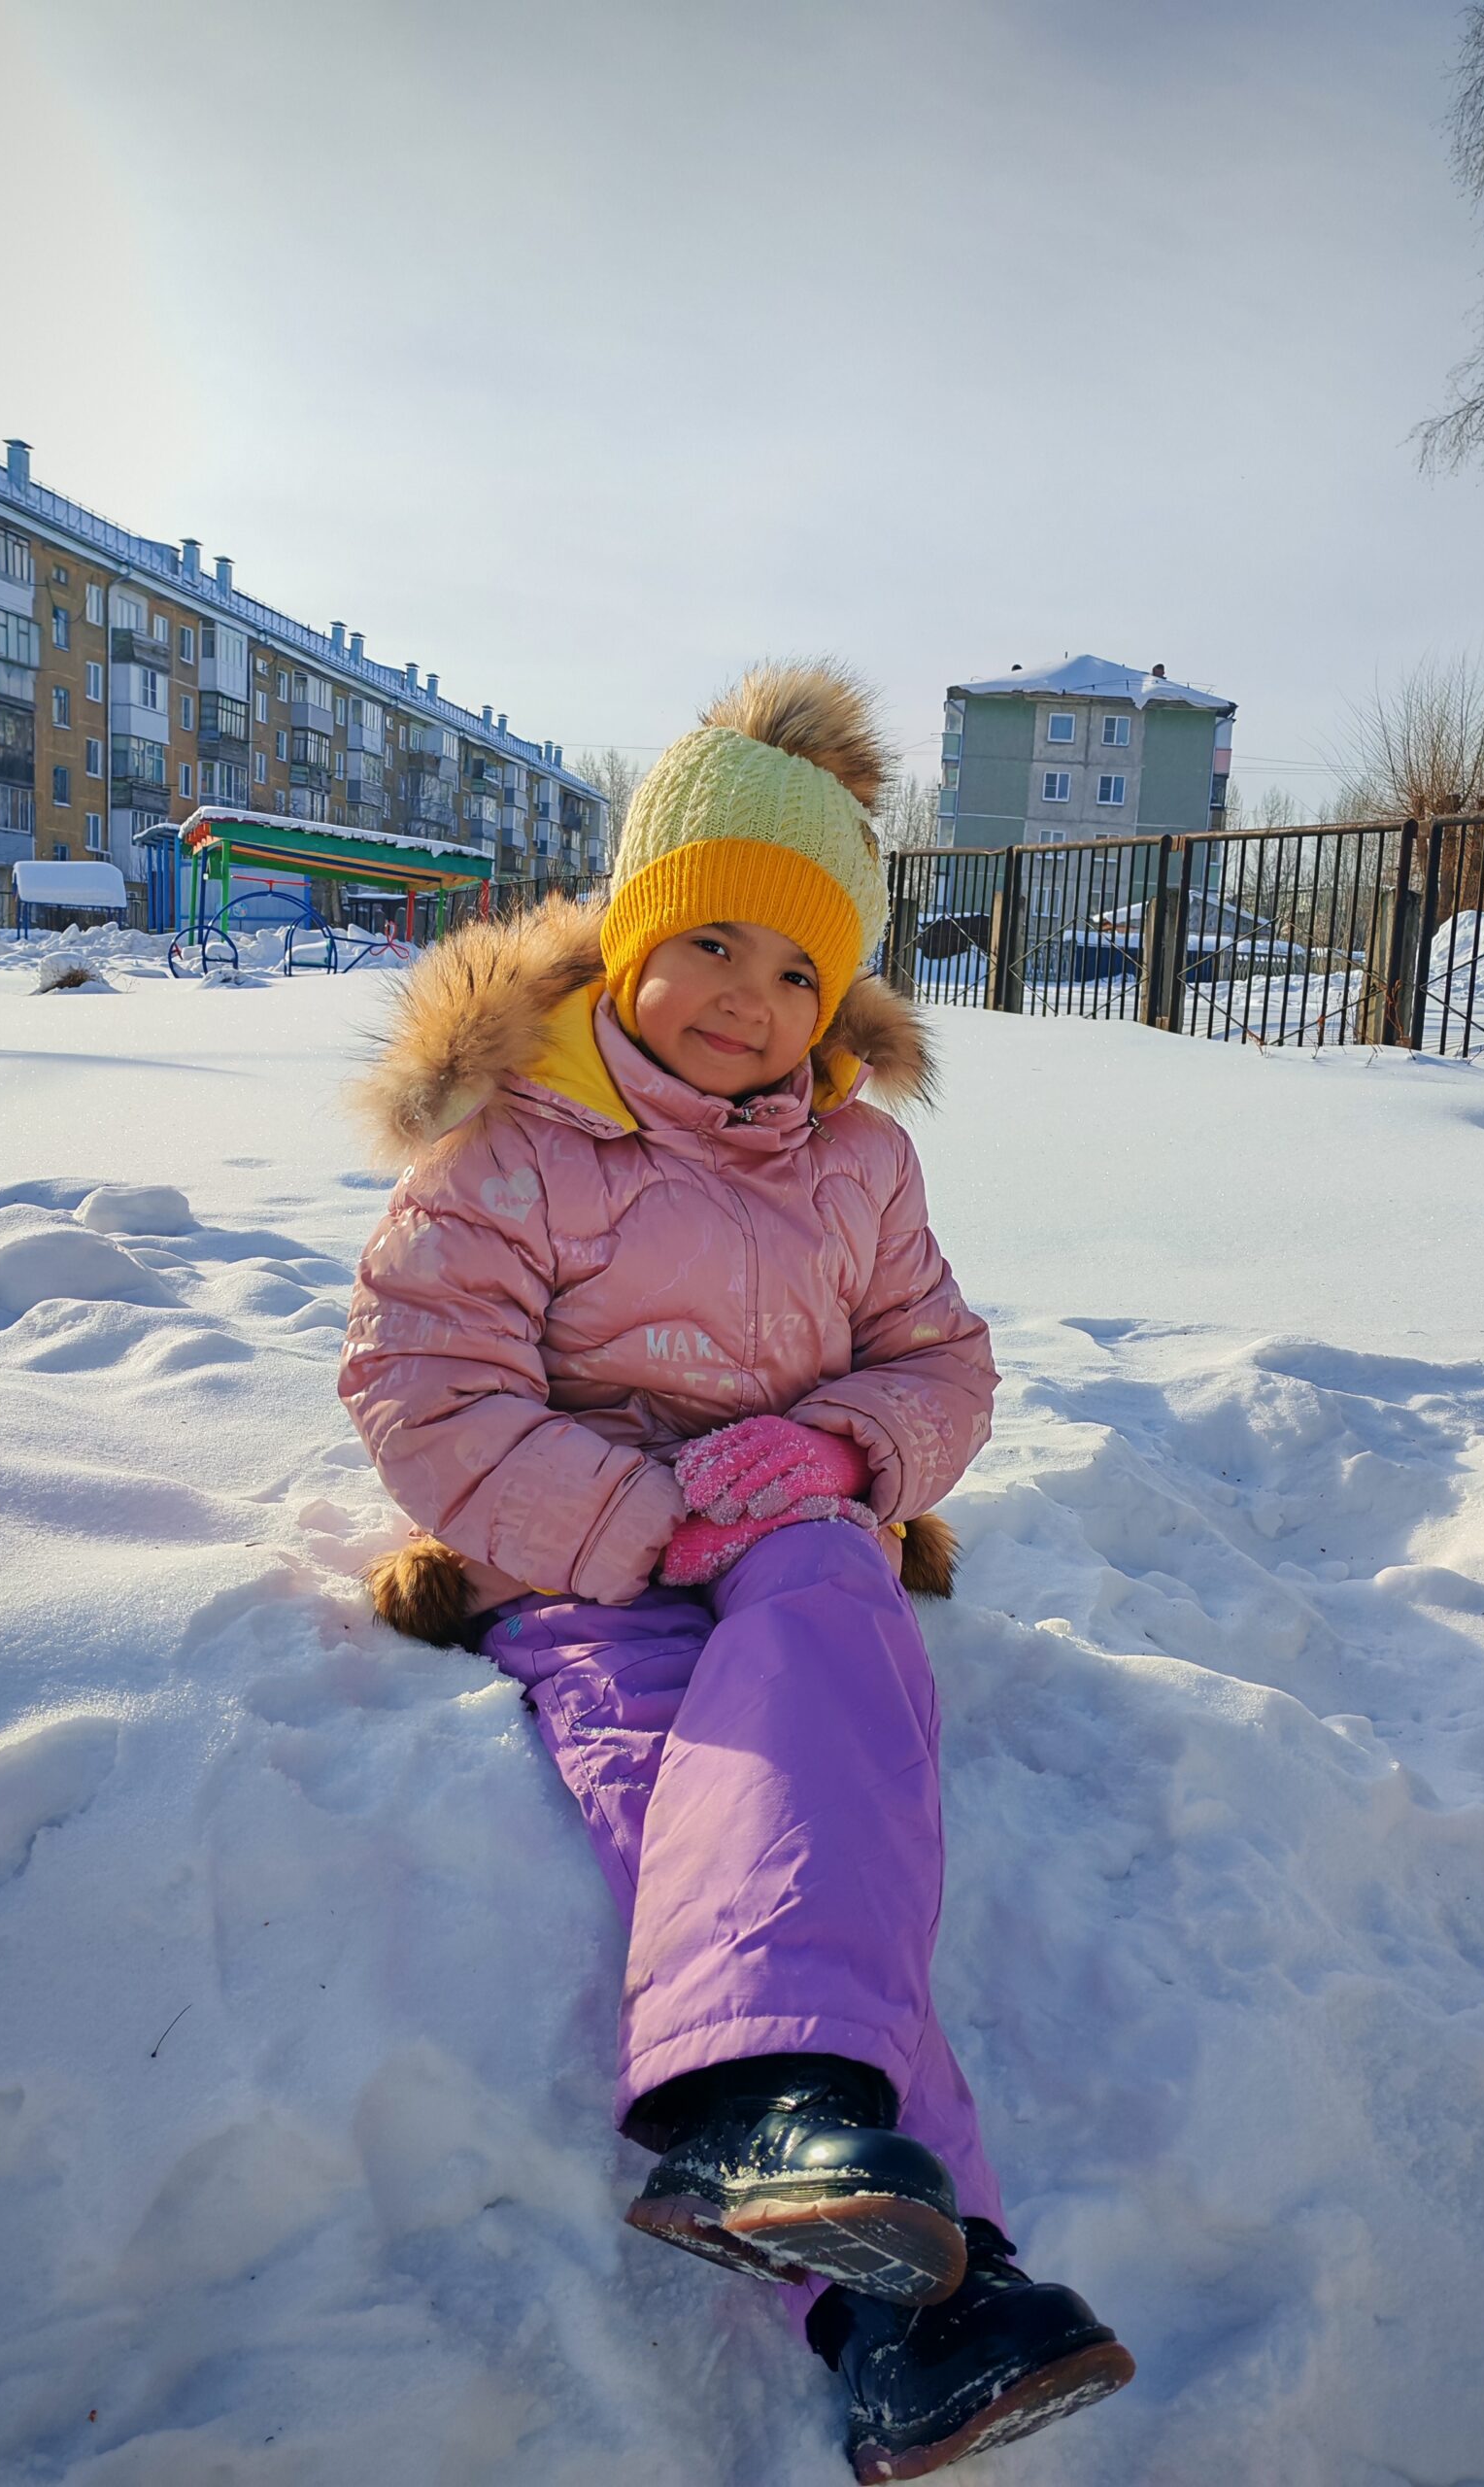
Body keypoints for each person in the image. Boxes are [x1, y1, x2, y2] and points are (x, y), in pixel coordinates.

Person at [339, 663, 1133, 2478]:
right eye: (709, 943)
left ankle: (796, 2132)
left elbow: (943, 1362)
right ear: (630, 934)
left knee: (827, 1731)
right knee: (711, 1804)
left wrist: (846, 1452)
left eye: (795, 972)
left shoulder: (860, 1163)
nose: (745, 1001)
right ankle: (917, 2301)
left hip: (796, 1542)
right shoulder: (519, 1142)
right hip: (581, 1561)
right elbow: (424, 1383)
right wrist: (638, 1523)